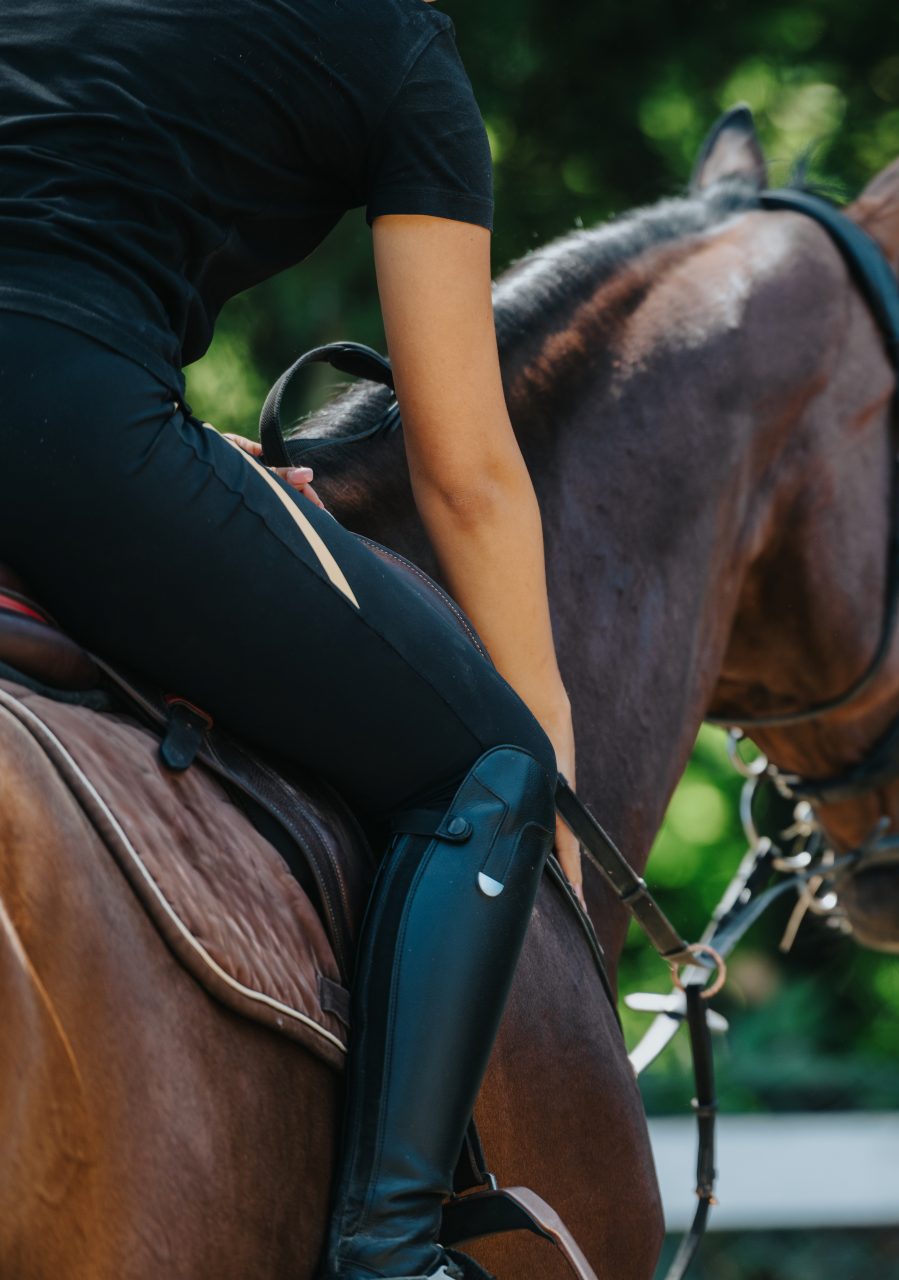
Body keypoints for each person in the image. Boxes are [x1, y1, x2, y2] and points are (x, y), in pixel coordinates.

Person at [0, 3, 581, 1277]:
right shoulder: (396, 51)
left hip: (89, 409)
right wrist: (544, 756)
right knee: (479, 766)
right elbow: (469, 476)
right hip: (58, 427)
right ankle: (390, 1249)